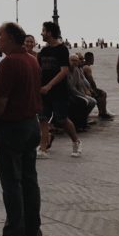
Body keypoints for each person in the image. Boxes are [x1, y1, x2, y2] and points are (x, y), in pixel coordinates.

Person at [0, 22, 42, 236]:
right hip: (31, 124)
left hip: (13, 126)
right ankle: (33, 230)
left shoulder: (9, 63)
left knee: (11, 182)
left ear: (9, 38)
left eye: (0, 35)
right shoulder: (31, 60)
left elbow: (0, 98)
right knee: (29, 179)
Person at [38, 22, 81, 158]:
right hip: (44, 92)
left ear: (50, 32)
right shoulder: (44, 51)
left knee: (61, 119)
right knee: (43, 118)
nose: (41, 33)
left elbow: (64, 71)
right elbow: (40, 70)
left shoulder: (62, 49)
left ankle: (76, 141)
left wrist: (49, 85)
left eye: (43, 31)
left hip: (59, 91)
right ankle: (43, 148)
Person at [81, 52, 112, 119]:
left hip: (84, 88)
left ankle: (101, 112)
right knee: (103, 94)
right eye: (92, 58)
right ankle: (102, 113)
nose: (93, 60)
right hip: (86, 89)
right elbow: (91, 81)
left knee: (99, 94)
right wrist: (94, 90)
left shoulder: (83, 66)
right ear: (90, 59)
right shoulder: (87, 68)